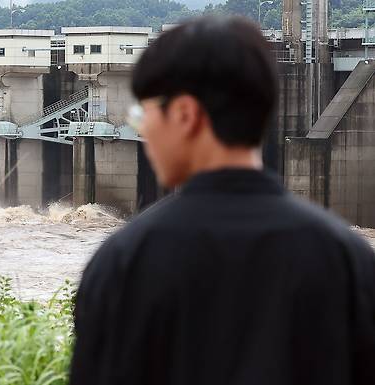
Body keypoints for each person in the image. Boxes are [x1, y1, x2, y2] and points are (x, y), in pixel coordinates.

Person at [69, 16, 375, 385]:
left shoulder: (125, 261)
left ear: (185, 114)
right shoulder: (347, 258)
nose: (143, 130)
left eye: (143, 114)